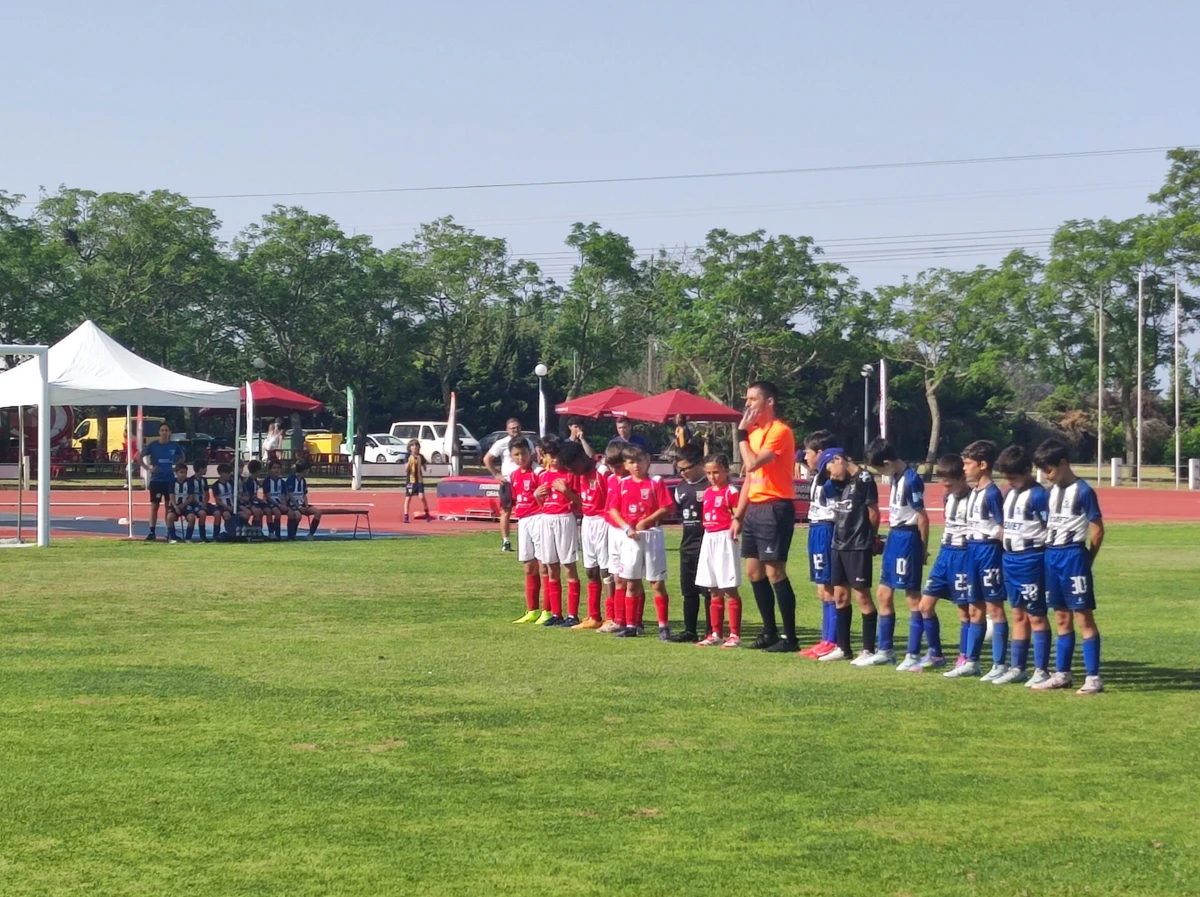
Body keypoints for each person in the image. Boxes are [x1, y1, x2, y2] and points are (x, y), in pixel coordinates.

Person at [729, 381, 800, 653]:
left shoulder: (779, 432)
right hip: (756, 508)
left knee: (774, 571)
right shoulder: (755, 433)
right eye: (746, 399)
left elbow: (753, 463)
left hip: (775, 506)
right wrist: (738, 515)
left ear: (769, 402)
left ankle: (790, 637)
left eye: (753, 399)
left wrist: (741, 436)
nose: (747, 404)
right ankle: (768, 630)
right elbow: (750, 477)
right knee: (753, 571)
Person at [1032, 438, 1105, 695]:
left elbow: (1097, 529)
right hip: (1052, 556)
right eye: (1042, 471)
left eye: (1049, 470)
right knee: (1061, 616)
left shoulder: (1083, 491)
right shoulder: (1050, 493)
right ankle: (1062, 674)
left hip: (1073, 556)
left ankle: (1093, 677)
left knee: (1083, 616)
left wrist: (1088, 559)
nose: (1046, 475)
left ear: (1064, 463)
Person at [865, 437, 930, 670]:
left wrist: (922, 549)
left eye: (879, 468)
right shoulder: (895, 477)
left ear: (887, 462)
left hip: (907, 538)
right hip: (894, 536)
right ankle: (885, 650)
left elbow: (923, 518)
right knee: (883, 593)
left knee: (912, 596)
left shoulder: (911, 480)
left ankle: (913, 654)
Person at [992, 445, 1051, 686]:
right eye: (1007, 478)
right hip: (1011, 559)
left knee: (1035, 614)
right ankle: (1018, 667)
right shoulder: (1009, 494)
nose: (1010, 482)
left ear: (1028, 471)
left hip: (1031, 559)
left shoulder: (1039, 496)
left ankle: (1042, 669)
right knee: (1017, 613)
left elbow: (1049, 529)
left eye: (1014, 478)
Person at [955, 439, 1007, 681]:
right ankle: (972, 661)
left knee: (994, 607)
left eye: (968, 464)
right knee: (974, 606)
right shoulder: (974, 492)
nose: (964, 468)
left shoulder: (993, 493)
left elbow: (1002, 527)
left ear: (983, 465)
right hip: (972, 550)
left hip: (989, 552)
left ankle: (999, 664)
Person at [915, 454, 973, 672]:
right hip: (945, 555)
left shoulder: (975, 498)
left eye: (949, 483)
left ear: (961, 478)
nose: (945, 488)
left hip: (963, 555)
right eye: (942, 484)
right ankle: (936, 654)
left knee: (964, 610)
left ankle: (965, 656)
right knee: (925, 605)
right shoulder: (948, 497)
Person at [823, 451, 881, 664]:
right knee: (839, 595)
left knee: (862, 596)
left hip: (858, 545)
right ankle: (843, 648)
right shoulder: (835, 482)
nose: (832, 477)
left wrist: (872, 537)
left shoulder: (864, 479)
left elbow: (873, 512)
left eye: (832, 471)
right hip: (838, 543)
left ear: (839, 460)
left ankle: (868, 649)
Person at [609, 445, 672, 639]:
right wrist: (626, 527)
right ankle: (631, 626)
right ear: (626, 465)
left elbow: (666, 506)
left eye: (639, 461)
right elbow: (613, 509)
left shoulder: (655, 482)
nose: (636, 466)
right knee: (631, 582)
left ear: (647, 461)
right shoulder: (622, 484)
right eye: (631, 462)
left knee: (656, 583)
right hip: (631, 537)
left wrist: (648, 520)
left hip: (652, 535)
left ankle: (663, 626)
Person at [798, 430, 843, 659]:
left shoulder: (832, 479)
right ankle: (825, 639)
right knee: (821, 588)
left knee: (829, 588)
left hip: (826, 529)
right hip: (815, 529)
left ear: (821, 453)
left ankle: (832, 640)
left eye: (808, 453)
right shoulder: (817, 475)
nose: (805, 457)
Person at [534, 435, 584, 628]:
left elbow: (580, 503)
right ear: (544, 456)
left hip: (565, 519)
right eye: (550, 455)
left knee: (569, 566)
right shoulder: (542, 476)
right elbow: (541, 504)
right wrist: (537, 496)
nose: (554, 459)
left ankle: (572, 614)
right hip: (547, 520)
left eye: (556, 455)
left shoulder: (570, 475)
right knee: (550, 566)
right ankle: (556, 613)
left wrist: (566, 491)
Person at [696, 454, 743, 648]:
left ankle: (735, 634)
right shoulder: (707, 492)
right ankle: (716, 632)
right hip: (709, 537)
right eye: (708, 473)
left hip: (725, 538)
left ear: (725, 470)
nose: (712, 476)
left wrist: (734, 530)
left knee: (729, 588)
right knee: (713, 588)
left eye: (716, 472)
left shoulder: (731, 491)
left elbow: (738, 516)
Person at [671, 442, 711, 642]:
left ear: (699, 464)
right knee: (688, 591)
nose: (683, 473)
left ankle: (712, 631)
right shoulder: (680, 488)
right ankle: (689, 630)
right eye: (680, 469)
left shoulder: (709, 486)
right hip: (687, 546)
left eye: (687, 468)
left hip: (707, 546)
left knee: (709, 591)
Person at [571, 441, 609, 630]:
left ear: (581, 458)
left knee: (606, 571)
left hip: (603, 521)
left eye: (574, 466)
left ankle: (611, 617)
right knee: (590, 570)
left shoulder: (602, 471)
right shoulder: (580, 475)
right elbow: (580, 500)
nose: (573, 471)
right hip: (587, 521)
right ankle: (594, 616)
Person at [508, 439, 547, 624]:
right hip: (523, 521)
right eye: (516, 454)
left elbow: (547, 498)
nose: (520, 457)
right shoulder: (514, 475)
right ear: (511, 456)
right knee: (528, 566)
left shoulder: (538, 472)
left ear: (529, 452)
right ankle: (532, 609)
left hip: (538, 518)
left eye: (523, 453)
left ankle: (548, 610)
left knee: (543, 564)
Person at [598, 442, 629, 633]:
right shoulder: (610, 479)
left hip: (626, 531)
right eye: (611, 467)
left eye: (618, 467)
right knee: (615, 576)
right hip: (612, 530)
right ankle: (617, 618)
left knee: (629, 577)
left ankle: (632, 619)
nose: (614, 470)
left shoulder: (631, 480)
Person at [139, 423, 185, 541]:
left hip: (169, 480)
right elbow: (138, 457)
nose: (164, 432)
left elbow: (182, 457)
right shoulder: (153, 445)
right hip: (156, 480)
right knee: (154, 506)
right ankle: (151, 531)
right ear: (159, 432)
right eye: (162, 430)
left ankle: (168, 531)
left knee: (168, 506)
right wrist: (148, 468)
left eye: (166, 430)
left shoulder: (174, 446)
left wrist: (176, 467)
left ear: (170, 433)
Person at [485, 418, 525, 552]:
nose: (515, 430)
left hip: (524, 482)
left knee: (526, 510)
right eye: (512, 428)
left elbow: (533, 458)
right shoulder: (501, 443)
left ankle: (525, 539)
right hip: (508, 482)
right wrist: (496, 474)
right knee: (506, 512)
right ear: (507, 430)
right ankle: (506, 541)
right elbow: (487, 459)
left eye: (517, 427)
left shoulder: (526, 442)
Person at [165, 462, 201, 544]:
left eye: (185, 472)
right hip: (175, 505)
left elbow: (191, 497)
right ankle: (173, 538)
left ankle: (188, 538)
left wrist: (183, 505)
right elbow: (171, 495)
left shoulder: (189, 482)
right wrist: (175, 506)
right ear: (176, 473)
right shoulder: (172, 482)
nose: (184, 474)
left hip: (186, 505)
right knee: (169, 517)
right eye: (181, 472)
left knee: (192, 517)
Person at [286, 459, 322, 540]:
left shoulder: (303, 480)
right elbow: (290, 495)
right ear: (304, 470)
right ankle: (291, 535)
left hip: (301, 504)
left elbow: (304, 494)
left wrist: (306, 506)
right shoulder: (291, 479)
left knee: (318, 512)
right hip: (292, 504)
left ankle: (310, 534)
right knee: (298, 516)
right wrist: (298, 507)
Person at [261, 459, 289, 541]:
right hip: (269, 502)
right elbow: (268, 497)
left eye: (278, 468)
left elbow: (283, 495)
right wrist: (279, 505)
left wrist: (284, 505)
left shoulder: (282, 482)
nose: (276, 470)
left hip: (279, 503)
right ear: (270, 470)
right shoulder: (267, 481)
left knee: (291, 513)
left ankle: (289, 535)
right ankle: (272, 533)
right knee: (277, 512)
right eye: (274, 468)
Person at [404, 440, 430, 523]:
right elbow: (406, 469)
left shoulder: (420, 457)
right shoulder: (407, 456)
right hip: (410, 481)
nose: (414, 447)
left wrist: (428, 469)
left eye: (416, 445)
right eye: (413, 445)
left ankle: (427, 513)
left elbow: (425, 467)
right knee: (408, 498)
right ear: (410, 447)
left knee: (422, 497)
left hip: (419, 480)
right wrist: (409, 461)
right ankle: (406, 516)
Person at [239, 459, 266, 538]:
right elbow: (251, 496)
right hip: (250, 503)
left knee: (263, 511)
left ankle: (258, 531)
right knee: (258, 512)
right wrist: (260, 500)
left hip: (254, 502)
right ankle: (255, 532)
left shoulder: (254, 480)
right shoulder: (249, 481)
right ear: (257, 470)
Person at [210, 463, 237, 541]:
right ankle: (217, 535)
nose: (229, 475)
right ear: (221, 474)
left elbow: (233, 495)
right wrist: (227, 506)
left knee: (244, 514)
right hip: (222, 506)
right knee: (226, 515)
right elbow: (217, 500)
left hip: (232, 505)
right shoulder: (216, 485)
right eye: (227, 473)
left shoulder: (231, 483)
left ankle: (236, 533)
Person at [191, 460, 214, 543]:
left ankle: (216, 536)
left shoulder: (204, 480)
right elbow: (191, 495)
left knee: (217, 512)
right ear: (200, 469)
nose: (206, 470)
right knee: (202, 513)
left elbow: (207, 494)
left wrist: (204, 503)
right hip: (194, 504)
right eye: (205, 468)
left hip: (204, 503)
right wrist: (199, 504)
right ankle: (202, 536)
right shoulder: (191, 480)